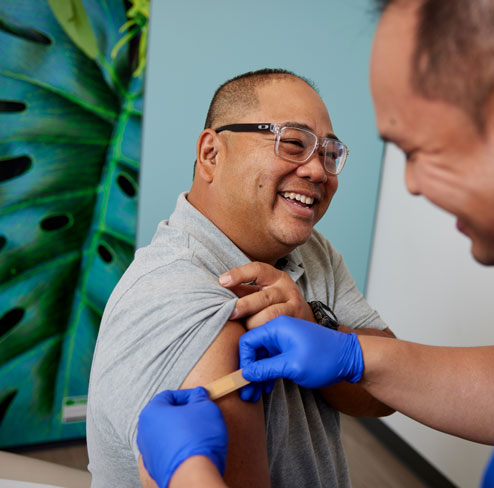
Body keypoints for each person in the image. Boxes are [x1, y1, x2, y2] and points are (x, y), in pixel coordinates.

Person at [138, 0, 494, 486]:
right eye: (293, 143)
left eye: (419, 150)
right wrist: (353, 355)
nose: (413, 184)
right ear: (210, 153)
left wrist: (190, 473)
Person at [86, 68, 394, 488]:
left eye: (328, 152)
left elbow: (387, 391)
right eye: (293, 143)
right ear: (212, 154)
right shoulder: (182, 295)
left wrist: (319, 328)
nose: (320, 172)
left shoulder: (312, 253)